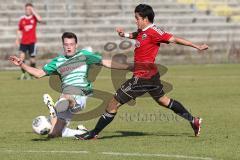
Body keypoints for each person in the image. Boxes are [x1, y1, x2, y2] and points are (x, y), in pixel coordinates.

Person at [75, 4, 209, 140]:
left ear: (145, 19)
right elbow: (138, 35)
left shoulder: (154, 32)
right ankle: (193, 120)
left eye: (137, 18)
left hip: (142, 77)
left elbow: (174, 39)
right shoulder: (143, 31)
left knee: (113, 103)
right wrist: (124, 35)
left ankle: (93, 133)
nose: (135, 20)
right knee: (163, 101)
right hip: (152, 76)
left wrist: (196, 46)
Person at [9, 32, 131, 138]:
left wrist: (128, 67)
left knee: (67, 95)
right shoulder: (57, 62)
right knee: (53, 134)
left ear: (76, 45)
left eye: (71, 44)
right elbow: (38, 73)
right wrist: (22, 64)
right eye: (66, 44)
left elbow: (107, 62)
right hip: (65, 97)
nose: (69, 47)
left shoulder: (85, 55)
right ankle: (80, 131)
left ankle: (57, 108)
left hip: (82, 93)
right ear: (63, 45)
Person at [16, 3, 43, 80]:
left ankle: (33, 74)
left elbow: (40, 20)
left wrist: (33, 11)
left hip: (32, 42)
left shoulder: (34, 18)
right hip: (23, 42)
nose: (27, 11)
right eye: (27, 9)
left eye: (29, 9)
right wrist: (17, 39)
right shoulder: (22, 19)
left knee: (32, 60)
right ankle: (24, 74)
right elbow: (19, 30)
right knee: (21, 58)